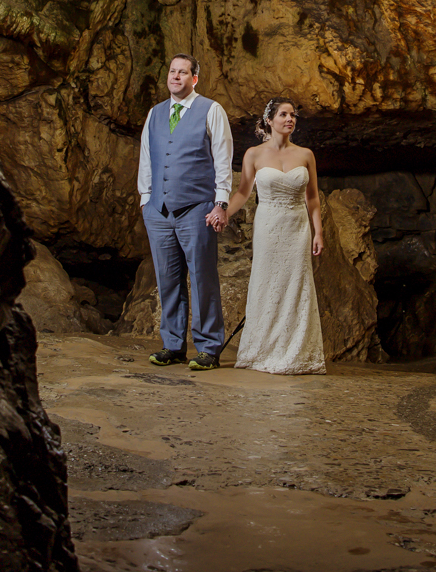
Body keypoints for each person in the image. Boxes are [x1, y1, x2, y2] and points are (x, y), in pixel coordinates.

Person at [216, 98, 326, 375]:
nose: (290, 119)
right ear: (269, 120)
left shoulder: (306, 155)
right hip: (268, 226)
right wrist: (224, 212)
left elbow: (312, 197)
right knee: (266, 284)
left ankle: (296, 354)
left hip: (297, 226)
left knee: (296, 286)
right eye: (284, 114)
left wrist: (318, 232)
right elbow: (243, 193)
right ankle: (261, 351)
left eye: (293, 115)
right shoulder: (254, 154)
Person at [137, 54, 234, 371]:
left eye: (183, 72)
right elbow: (147, 158)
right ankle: (173, 345)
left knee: (203, 278)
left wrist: (220, 203)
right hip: (158, 210)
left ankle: (208, 348)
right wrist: (145, 200)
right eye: (172, 71)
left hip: (198, 208)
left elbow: (222, 158)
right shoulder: (155, 113)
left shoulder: (211, 110)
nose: (176, 76)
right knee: (168, 279)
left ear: (194, 78)